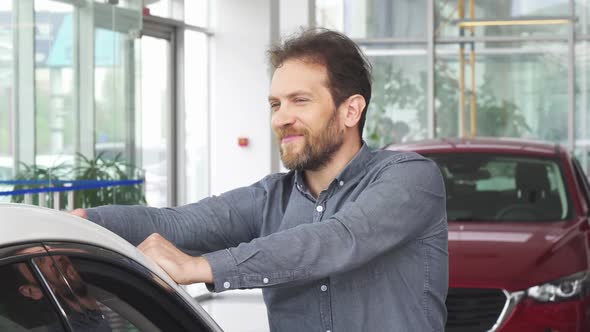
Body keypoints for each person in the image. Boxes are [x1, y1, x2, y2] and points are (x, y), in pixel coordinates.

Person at [73, 28, 448, 331]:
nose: (280, 118)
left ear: (351, 110)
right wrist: (81, 223)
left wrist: (202, 267)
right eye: (275, 104)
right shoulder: (270, 197)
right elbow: (175, 222)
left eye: (299, 100)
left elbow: (339, 239)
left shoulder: (410, 177)